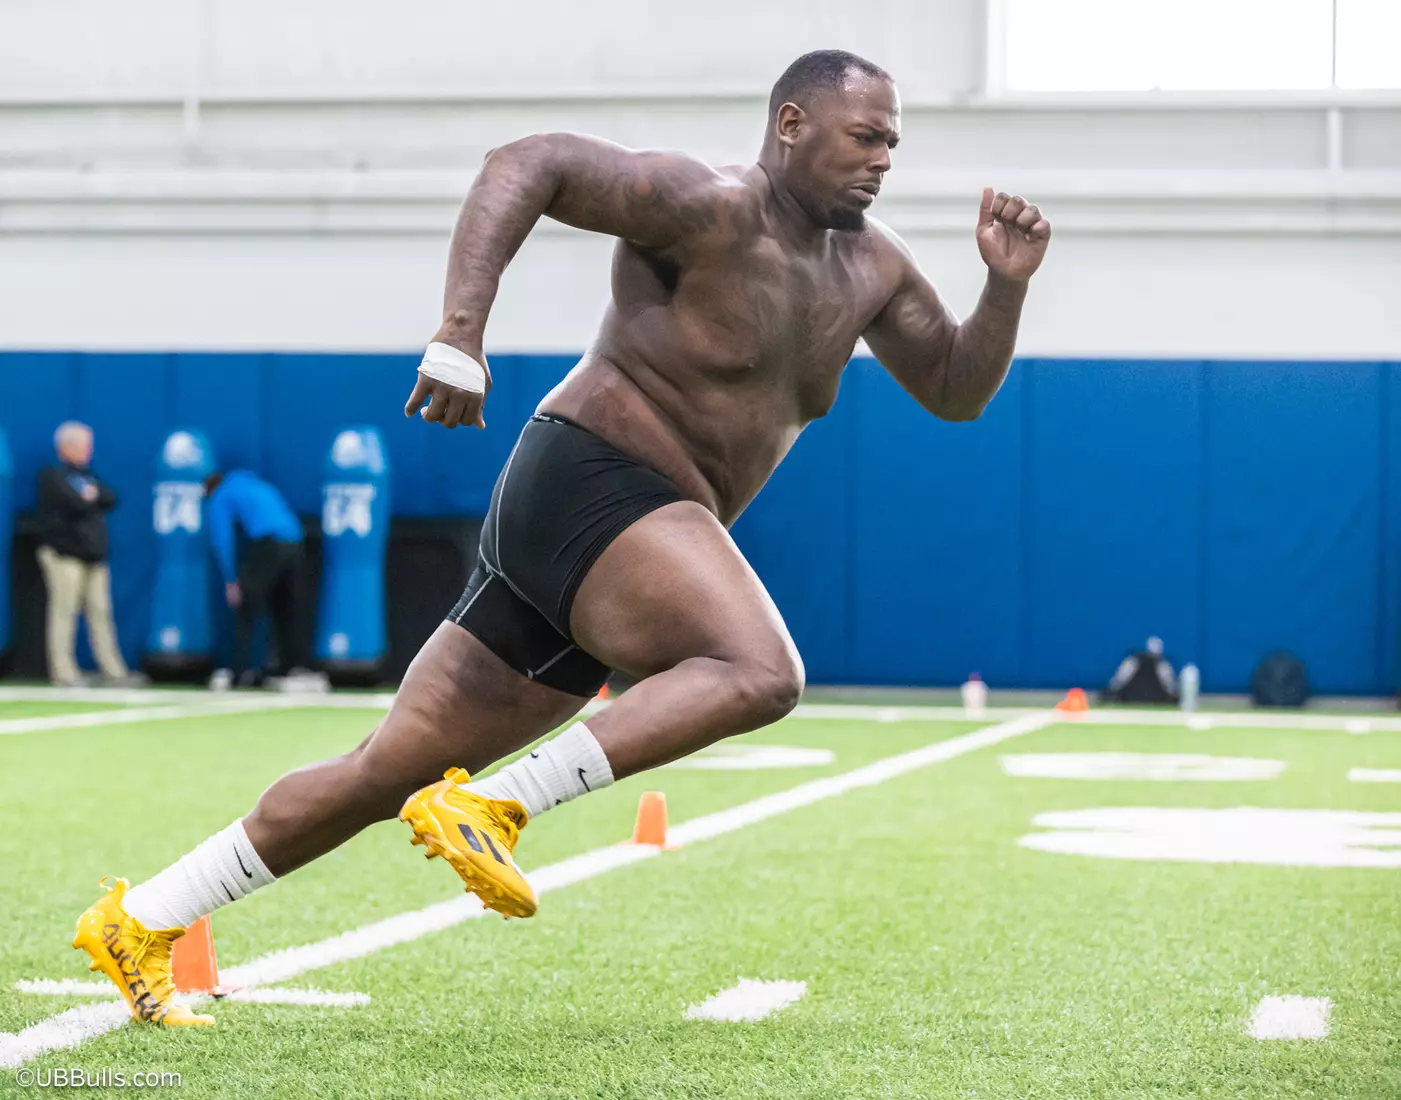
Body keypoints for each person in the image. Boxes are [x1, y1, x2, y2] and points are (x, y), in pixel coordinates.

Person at [74, 49, 1051, 1026]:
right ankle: (500, 806)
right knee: (760, 669)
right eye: (864, 135)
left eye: (893, 141)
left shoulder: (874, 269)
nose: (883, 158)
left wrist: (1002, 288)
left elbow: (956, 388)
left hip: (618, 536)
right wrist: (460, 330)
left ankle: (143, 915)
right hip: (592, 476)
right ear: (791, 123)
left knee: (384, 769)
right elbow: (526, 161)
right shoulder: (703, 204)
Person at [35, 421, 131, 686]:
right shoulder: (52, 475)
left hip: (93, 556)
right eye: (82, 445)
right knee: (64, 612)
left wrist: (94, 494)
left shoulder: (88, 475)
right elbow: (74, 502)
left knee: (101, 613)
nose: (88, 450)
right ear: (66, 447)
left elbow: (109, 498)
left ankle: (114, 671)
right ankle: (63, 673)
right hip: (64, 555)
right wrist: (90, 497)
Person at [203, 470, 307, 687]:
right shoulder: (253, 482)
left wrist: (231, 580)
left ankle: (239, 672)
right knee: (285, 609)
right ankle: (288, 670)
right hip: (295, 542)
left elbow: (222, 539)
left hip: (268, 544)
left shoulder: (221, 494)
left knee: (246, 608)